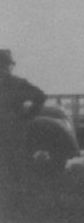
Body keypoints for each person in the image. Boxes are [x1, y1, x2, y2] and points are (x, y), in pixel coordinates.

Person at [0, 49, 47, 206]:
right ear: (9, 65)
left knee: (6, 168)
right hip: (15, 130)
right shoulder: (18, 83)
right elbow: (40, 96)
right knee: (19, 167)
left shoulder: (16, 83)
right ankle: (22, 205)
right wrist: (27, 116)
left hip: (9, 131)